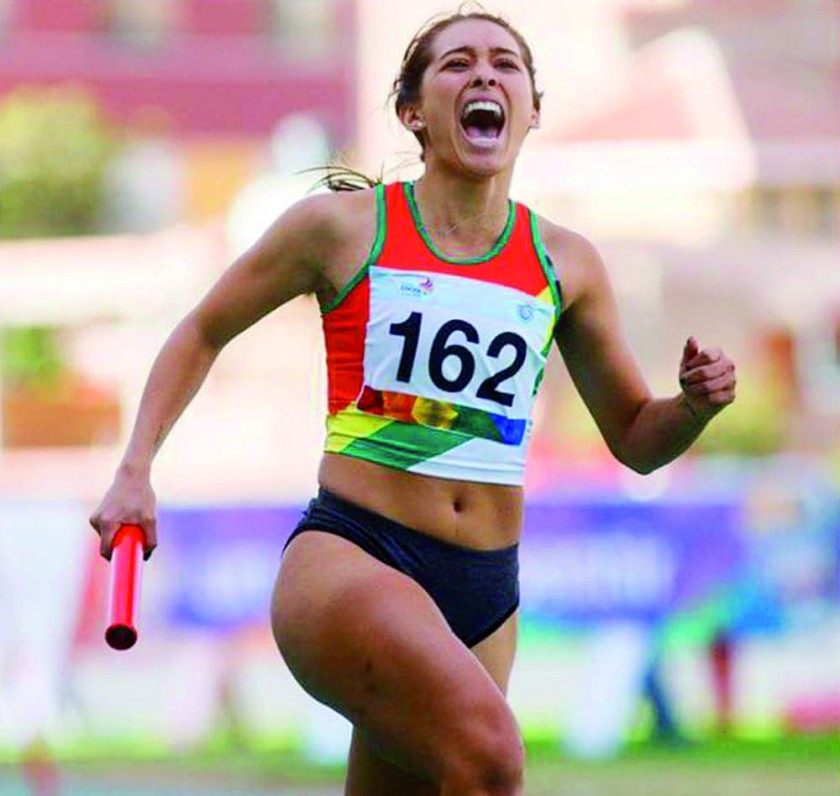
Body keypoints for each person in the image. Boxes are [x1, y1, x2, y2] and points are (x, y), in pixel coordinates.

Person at [89, 10, 737, 795]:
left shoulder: (567, 263)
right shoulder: (339, 229)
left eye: (505, 64)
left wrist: (692, 407)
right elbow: (201, 331)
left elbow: (635, 438)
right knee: (491, 759)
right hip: (355, 556)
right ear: (412, 112)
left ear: (532, 109)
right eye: (457, 64)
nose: (484, 74)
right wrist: (135, 469)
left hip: (486, 589)